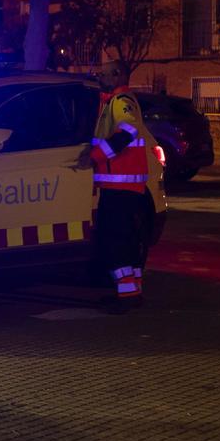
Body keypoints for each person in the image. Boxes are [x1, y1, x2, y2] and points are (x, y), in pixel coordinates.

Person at [90, 81, 150, 314]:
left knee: (114, 241)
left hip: (121, 188)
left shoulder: (121, 102)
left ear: (115, 75)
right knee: (127, 241)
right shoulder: (114, 101)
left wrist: (95, 156)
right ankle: (132, 292)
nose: (99, 77)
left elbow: (128, 131)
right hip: (126, 187)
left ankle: (127, 296)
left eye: (104, 73)